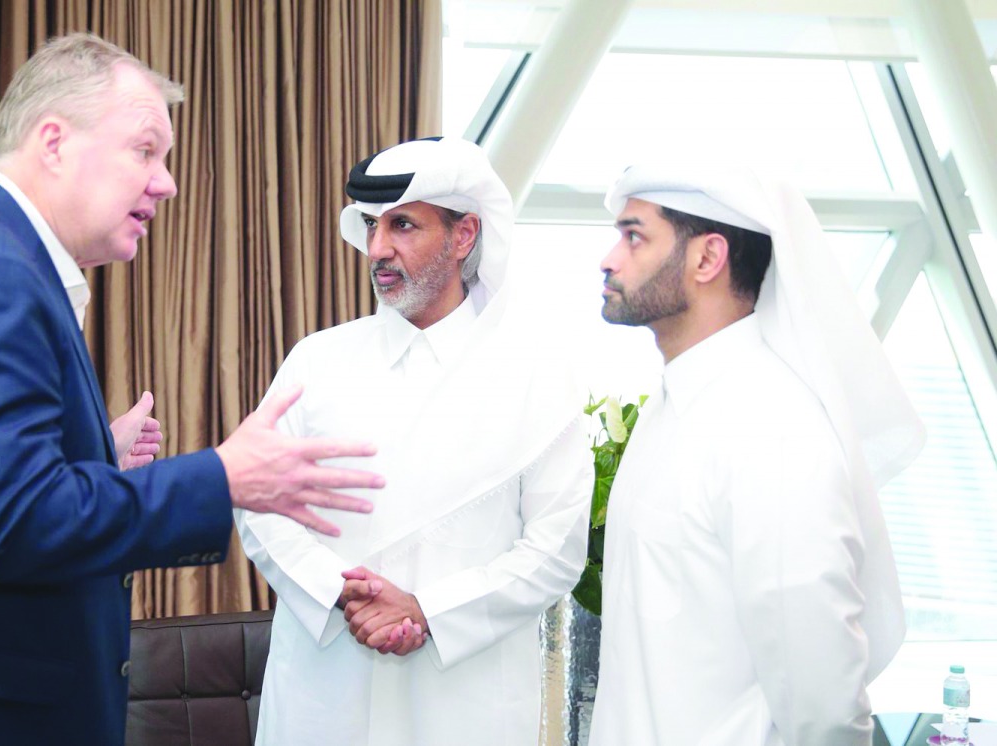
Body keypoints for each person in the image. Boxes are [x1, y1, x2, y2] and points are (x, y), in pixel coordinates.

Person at [0, 33, 382, 746]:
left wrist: (89, 461)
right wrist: (222, 478)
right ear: (52, 143)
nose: (166, 181)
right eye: (145, 151)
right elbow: (11, 526)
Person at [236, 136, 593, 746]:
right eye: (372, 226)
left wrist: (429, 611)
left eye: (403, 225)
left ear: (463, 236)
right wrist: (340, 593)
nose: (378, 249)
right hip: (324, 691)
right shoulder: (317, 360)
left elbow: (556, 548)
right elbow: (255, 498)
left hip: (464, 701)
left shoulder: (537, 376)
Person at [587, 166, 925, 746]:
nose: (609, 258)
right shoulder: (674, 406)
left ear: (707, 258)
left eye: (634, 236)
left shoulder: (774, 431)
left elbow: (823, 704)